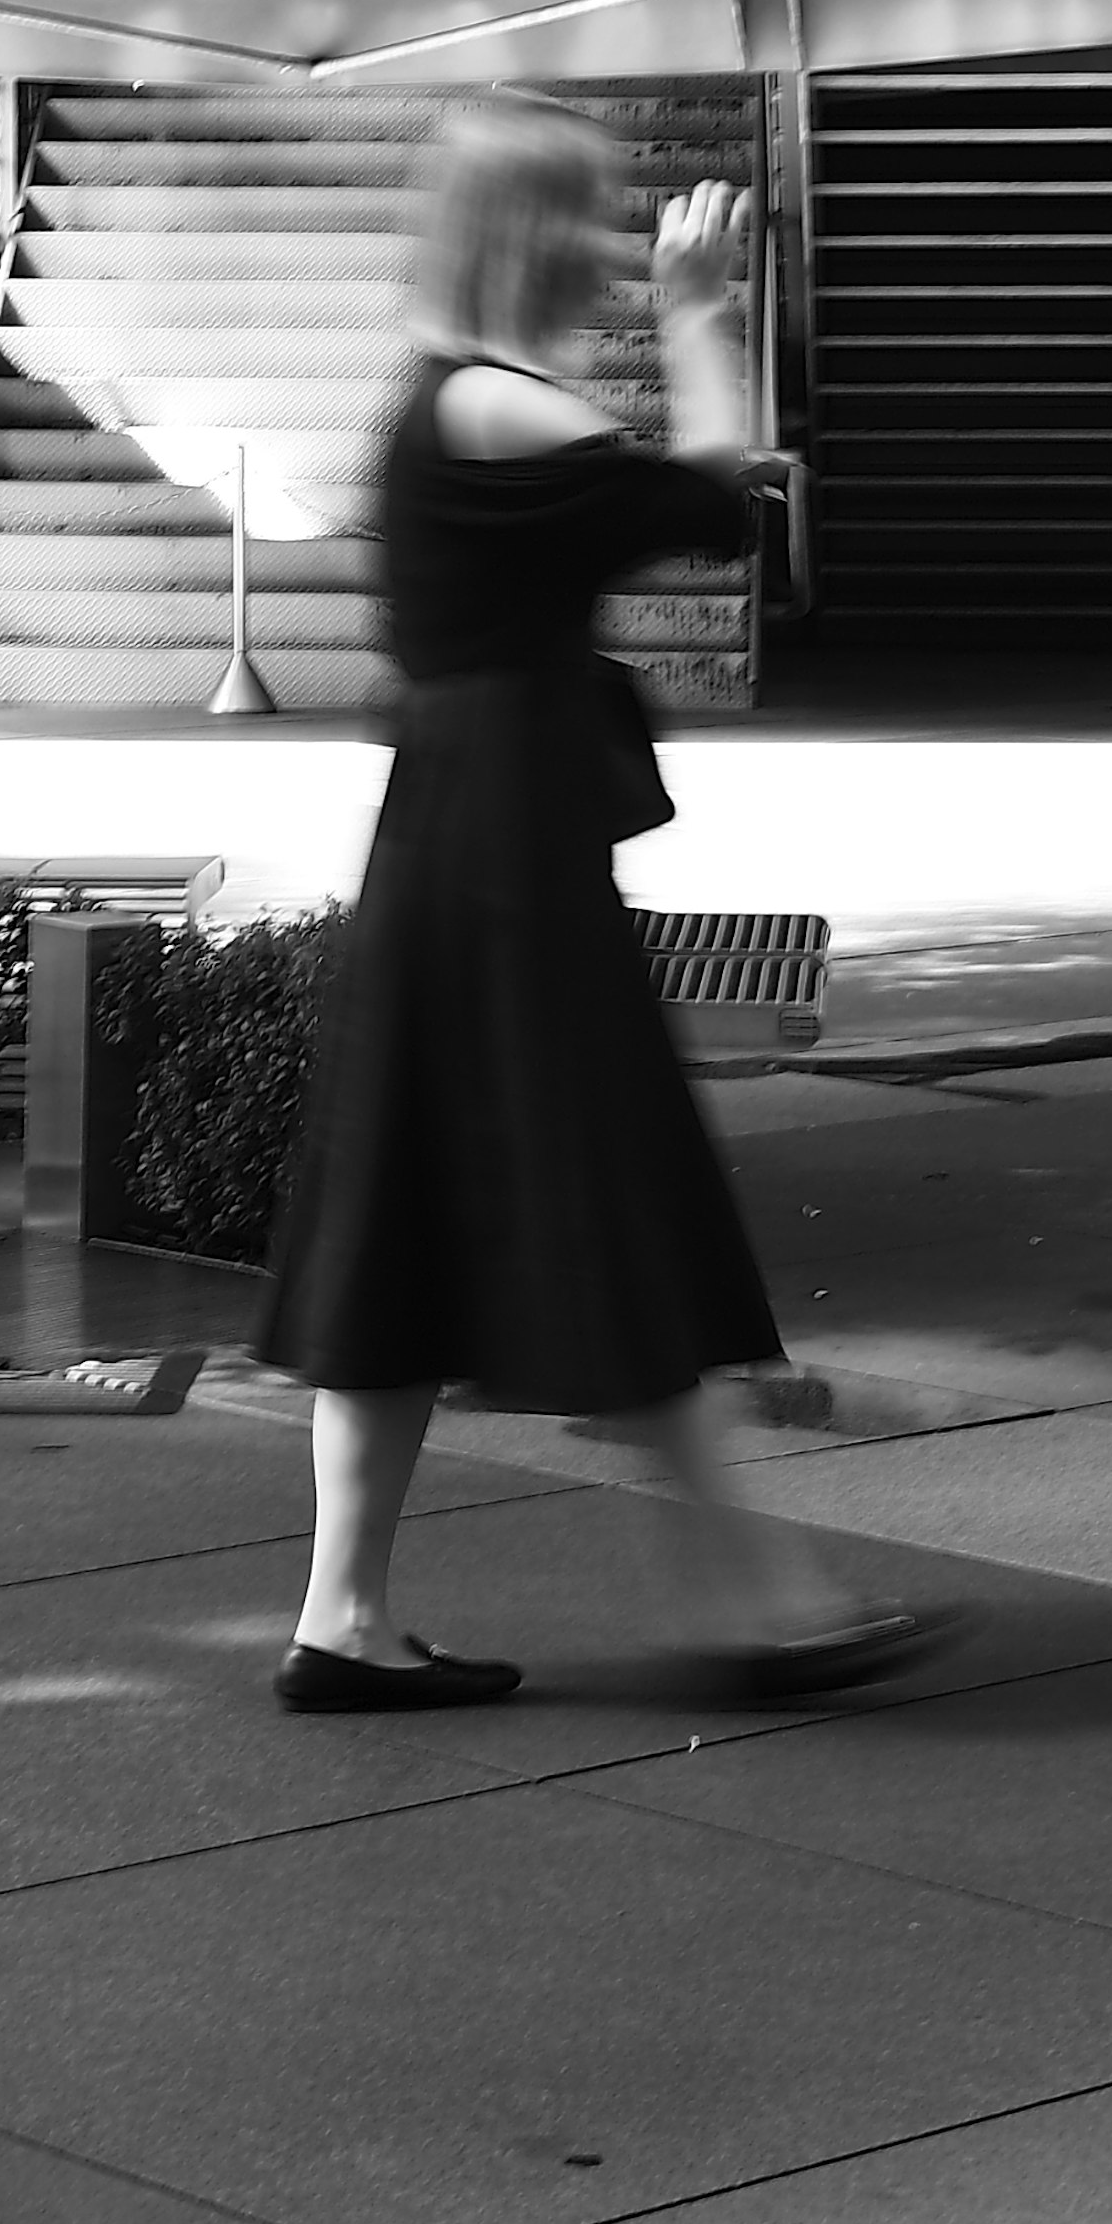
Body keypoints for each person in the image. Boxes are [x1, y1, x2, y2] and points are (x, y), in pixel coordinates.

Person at [258, 99, 943, 1713]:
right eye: (580, 219)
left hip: (462, 834)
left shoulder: (448, 390)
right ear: (525, 231)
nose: (603, 249)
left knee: (414, 1226)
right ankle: (769, 1608)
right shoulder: (495, 401)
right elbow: (714, 504)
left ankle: (343, 1618)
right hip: (505, 856)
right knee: (604, 1194)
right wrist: (705, 311)